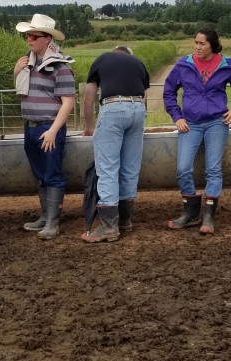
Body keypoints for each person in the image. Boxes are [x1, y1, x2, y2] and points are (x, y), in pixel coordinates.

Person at [162, 28, 231, 234]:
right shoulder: (184, 64)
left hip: (216, 122)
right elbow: (168, 91)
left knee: (213, 169)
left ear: (212, 44)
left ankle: (209, 217)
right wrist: (177, 116)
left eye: (202, 43)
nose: (197, 47)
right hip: (190, 123)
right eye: (195, 43)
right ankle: (190, 213)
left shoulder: (226, 64)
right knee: (183, 168)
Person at [14, 14, 75, 239]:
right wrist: (16, 72)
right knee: (39, 173)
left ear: (47, 39)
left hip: (48, 127)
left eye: (33, 36)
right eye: (28, 35)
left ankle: (52, 221)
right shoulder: (27, 63)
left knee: (52, 173)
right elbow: (21, 92)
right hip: (30, 126)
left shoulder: (61, 67)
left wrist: (52, 130)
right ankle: (44, 216)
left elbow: (68, 102)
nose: (28, 39)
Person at [81, 45, 150, 242]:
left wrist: (89, 126)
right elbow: (142, 93)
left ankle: (108, 227)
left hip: (113, 109)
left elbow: (88, 98)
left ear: (114, 52)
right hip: (137, 110)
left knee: (108, 167)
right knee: (130, 166)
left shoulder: (103, 59)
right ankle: (124, 220)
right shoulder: (139, 64)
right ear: (130, 55)